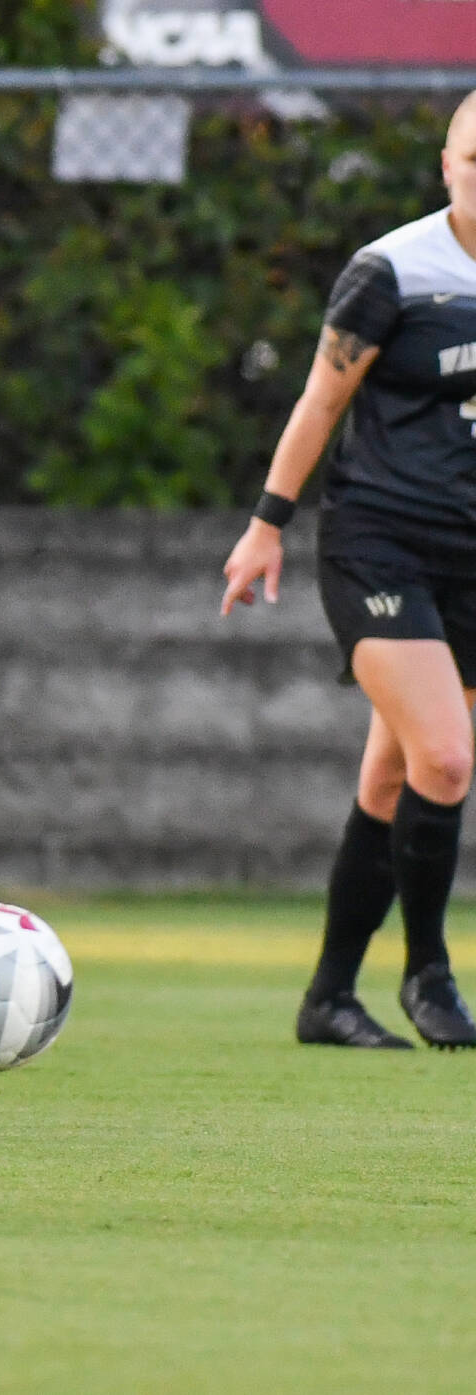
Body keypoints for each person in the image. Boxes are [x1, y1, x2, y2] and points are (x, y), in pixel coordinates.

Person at [223, 90, 476, 1052]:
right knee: (446, 759)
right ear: (445, 164)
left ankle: (329, 998)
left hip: (472, 559)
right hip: (380, 540)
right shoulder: (394, 271)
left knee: (390, 781)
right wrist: (266, 525)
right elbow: (320, 401)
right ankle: (430, 976)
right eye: (475, 159)